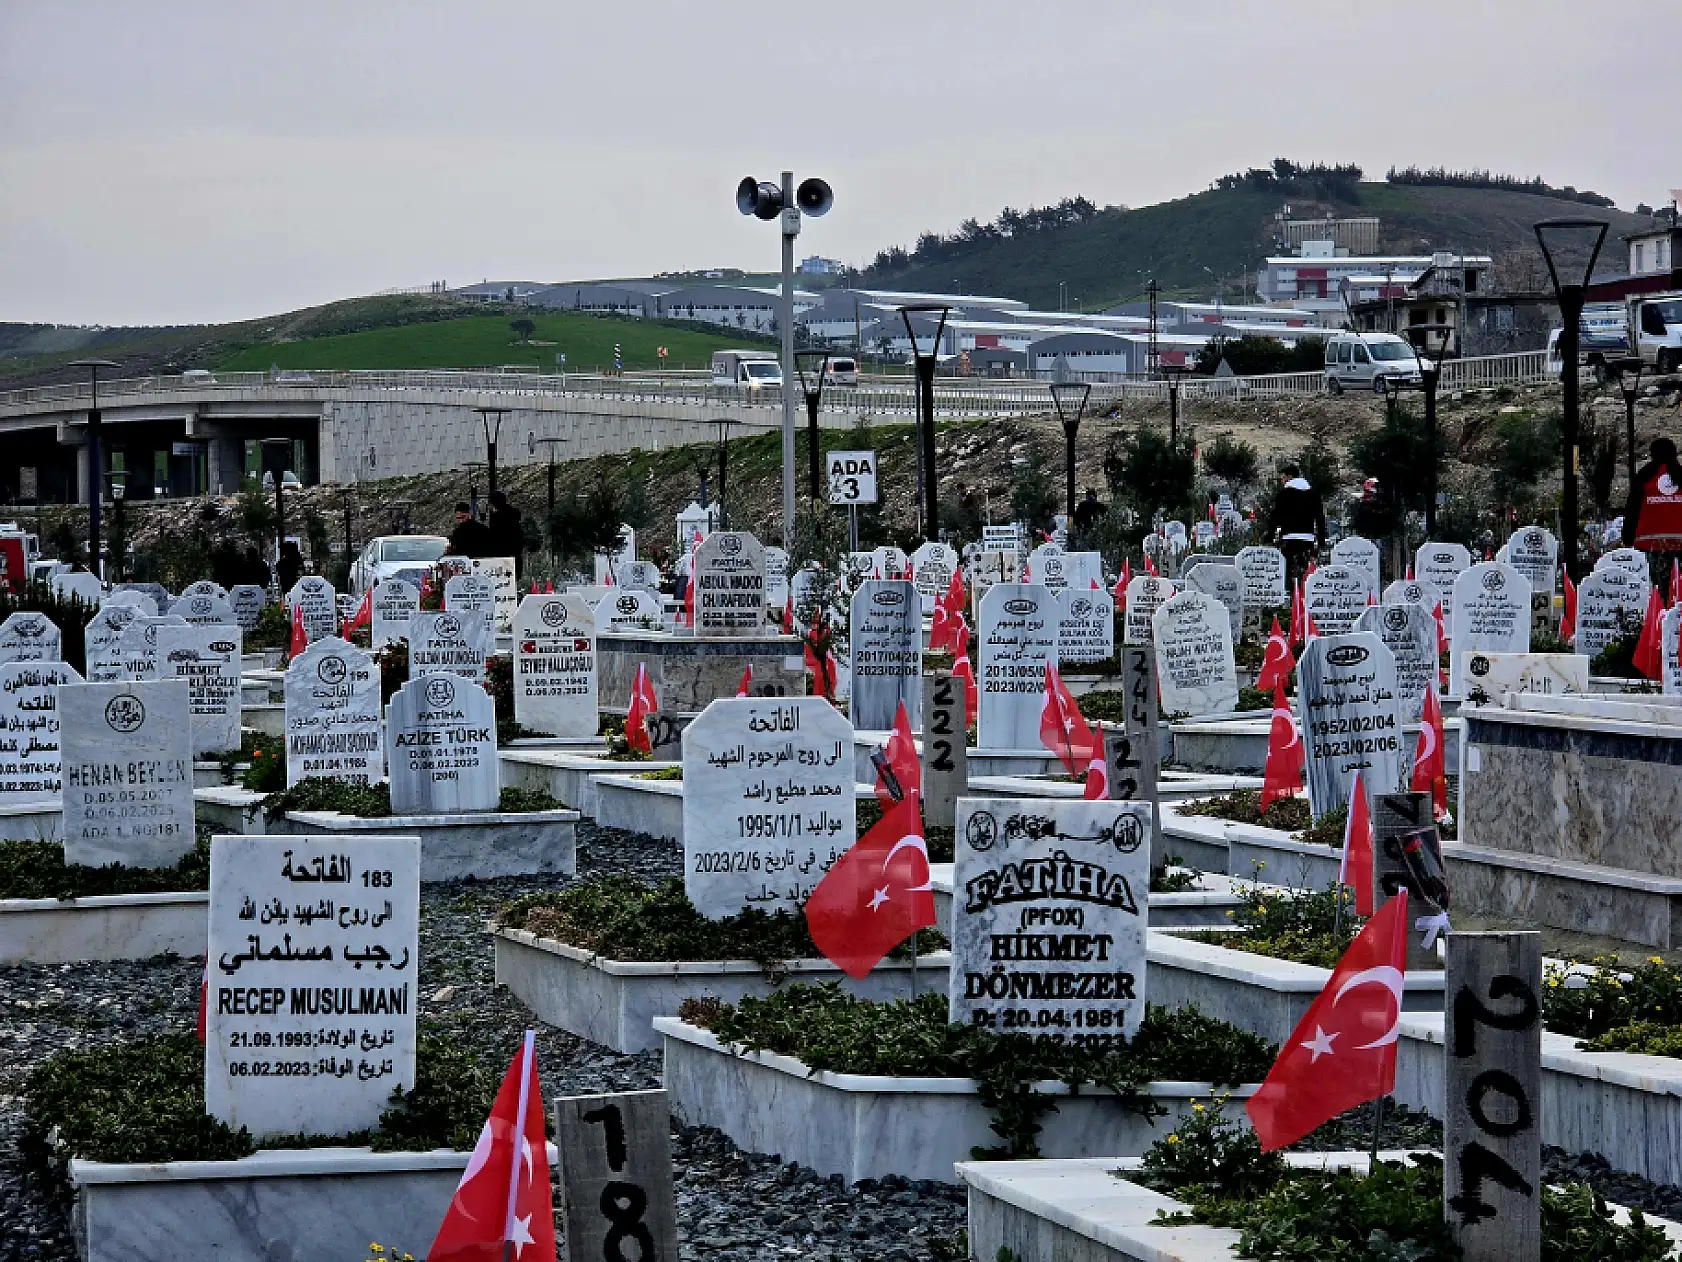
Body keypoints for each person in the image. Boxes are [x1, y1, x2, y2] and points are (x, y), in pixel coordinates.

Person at [1624, 437, 1682, 600]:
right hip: (1680, 546)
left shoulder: (1644, 476)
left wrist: (1627, 539)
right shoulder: (1680, 474)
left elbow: (1633, 510)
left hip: (1649, 546)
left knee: (1654, 592)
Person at [1272, 463, 1326, 590]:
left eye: (1283, 477)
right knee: (1305, 572)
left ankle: (1291, 600)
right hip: (1308, 538)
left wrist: (1270, 536)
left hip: (1289, 538)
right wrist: (1321, 540)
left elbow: (1276, 517)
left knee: (1289, 571)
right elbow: (1320, 518)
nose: (1282, 480)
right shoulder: (1313, 494)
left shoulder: (1284, 494)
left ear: (1289, 477)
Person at [486, 490, 526, 577]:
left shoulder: (501, 520)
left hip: (504, 559)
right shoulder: (511, 518)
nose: (489, 507)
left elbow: (496, 539)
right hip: (511, 558)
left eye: (490, 504)